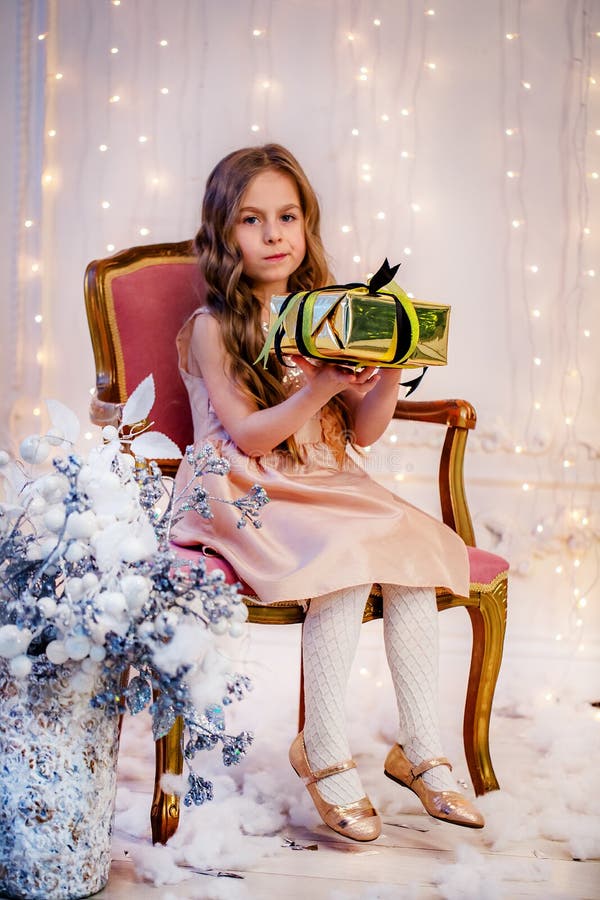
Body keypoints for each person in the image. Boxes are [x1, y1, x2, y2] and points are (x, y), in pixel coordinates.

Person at [171, 143, 484, 841]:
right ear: (224, 235)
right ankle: (324, 746)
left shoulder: (328, 314)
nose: (275, 234)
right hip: (249, 490)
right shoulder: (213, 328)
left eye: (288, 216)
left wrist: (385, 371)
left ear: (307, 224)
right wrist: (318, 386)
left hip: (325, 481)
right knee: (344, 555)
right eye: (252, 220)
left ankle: (424, 750)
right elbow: (249, 437)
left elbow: (364, 435)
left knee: (408, 549)